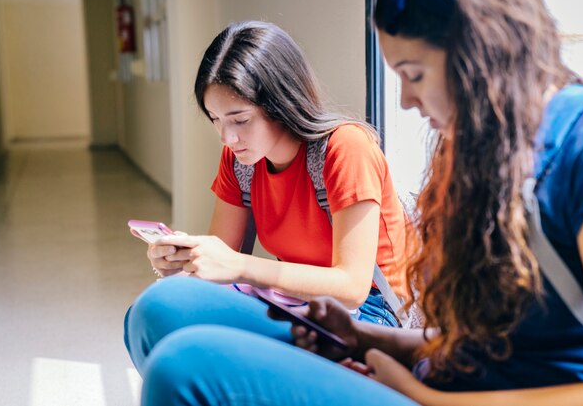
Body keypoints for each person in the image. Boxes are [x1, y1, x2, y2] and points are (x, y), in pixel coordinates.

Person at [132, 0, 583, 405]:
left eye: (414, 74)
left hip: (435, 390)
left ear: (482, 56)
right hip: (425, 369)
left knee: (183, 366)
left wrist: (418, 392)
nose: (403, 100)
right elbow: (494, 342)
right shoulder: (489, 152)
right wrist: (368, 340)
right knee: (161, 309)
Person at [124, 20, 414, 375]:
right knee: (151, 313)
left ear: (281, 102)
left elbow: (352, 288)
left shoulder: (346, 148)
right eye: (215, 119)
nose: (226, 137)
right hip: (290, 304)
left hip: (366, 318)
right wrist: (181, 260)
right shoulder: (241, 161)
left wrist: (242, 267)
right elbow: (220, 263)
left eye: (240, 119)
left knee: (164, 317)